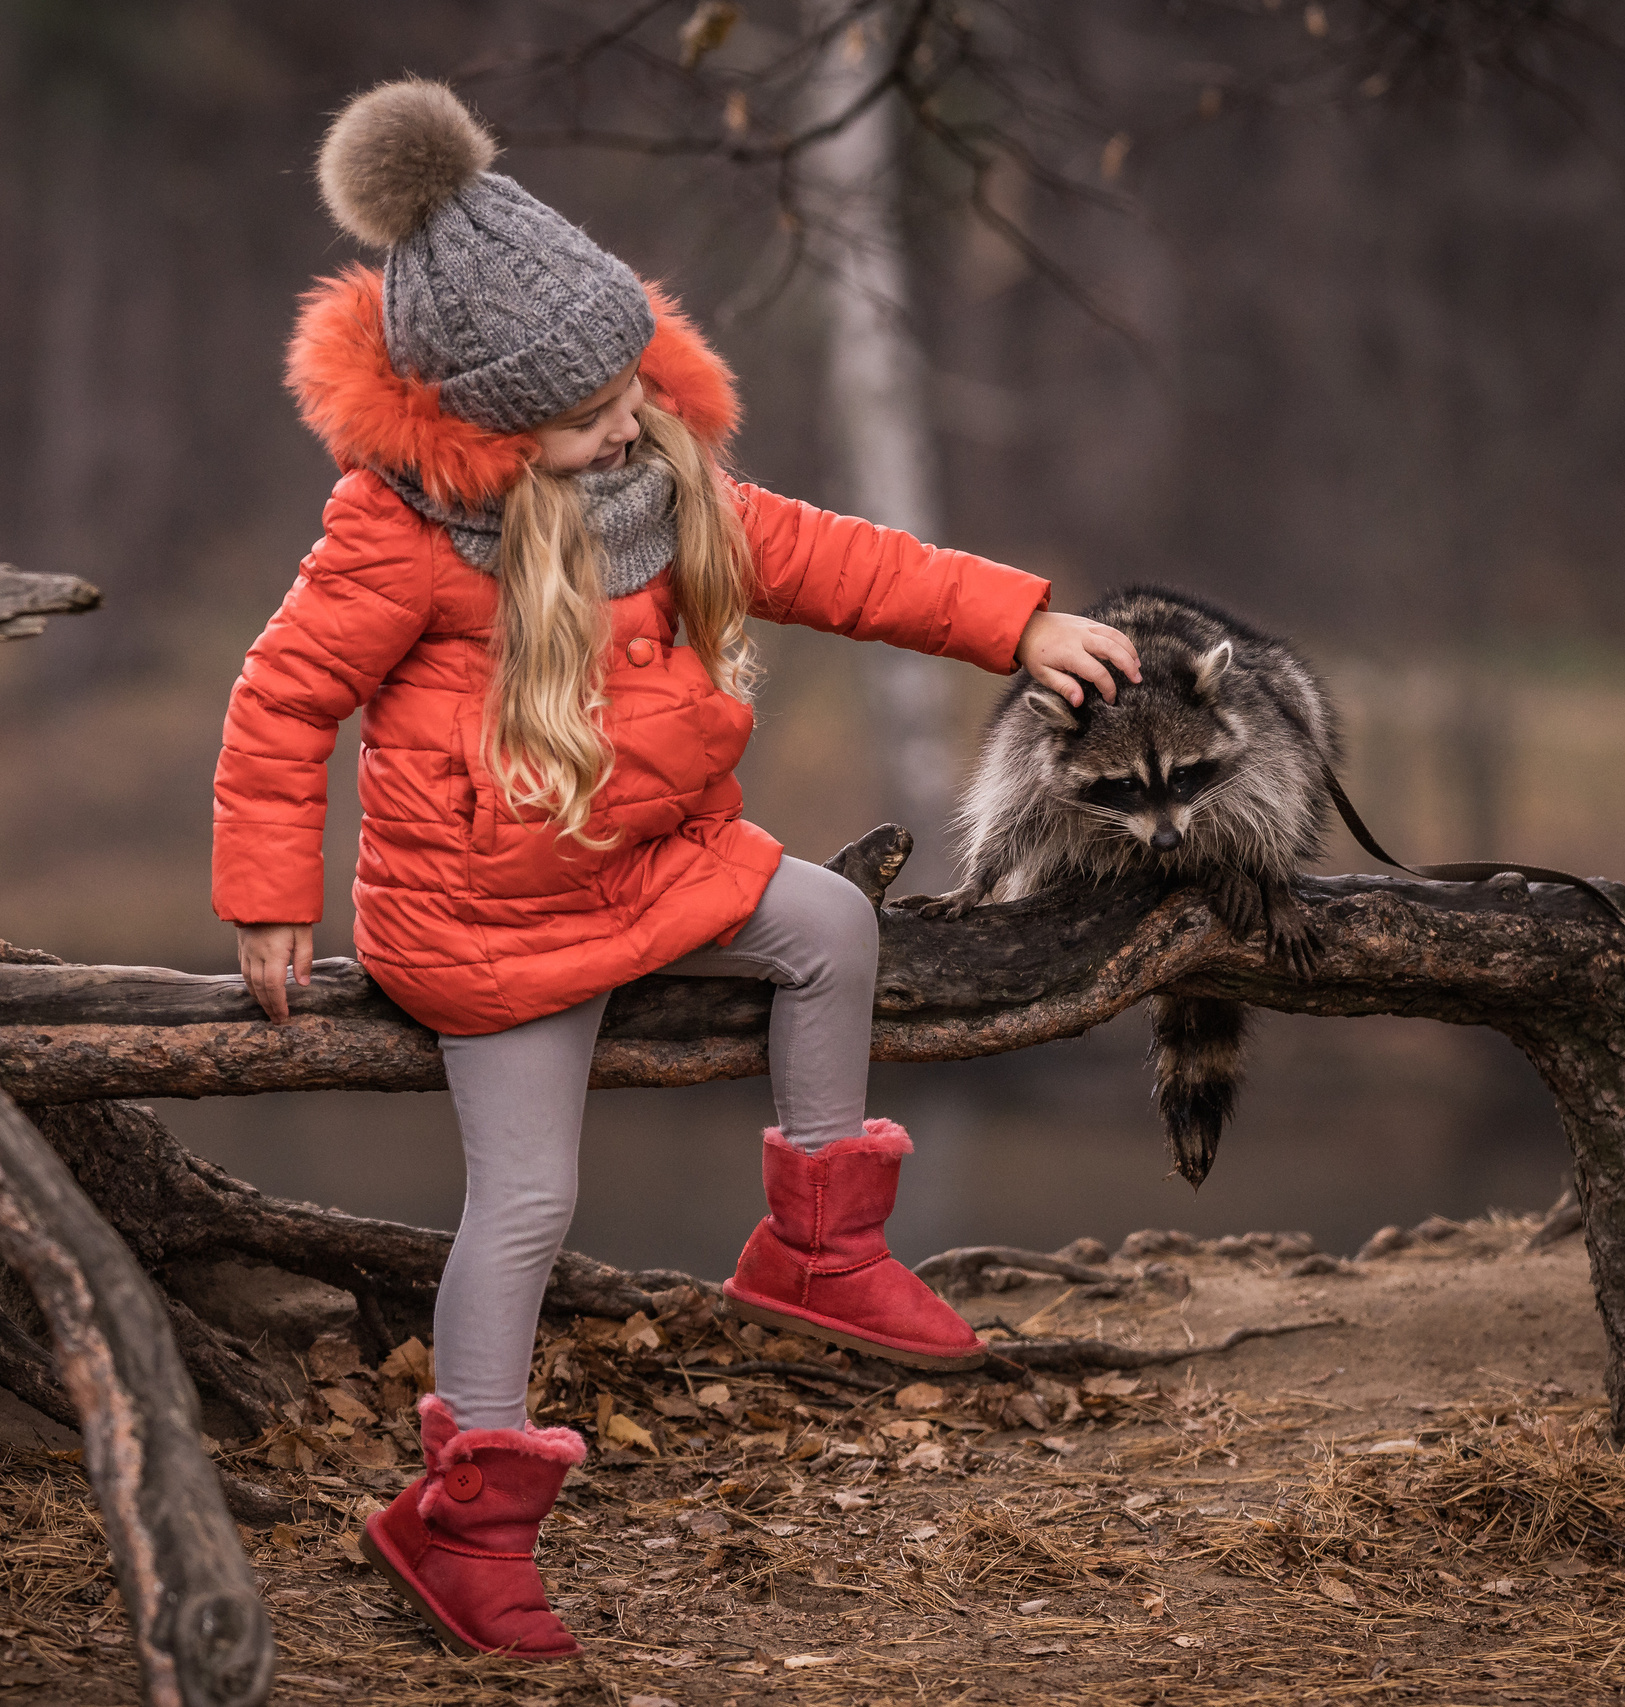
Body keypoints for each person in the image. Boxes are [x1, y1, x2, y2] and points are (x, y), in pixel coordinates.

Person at [214, 79, 1139, 1660]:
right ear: (491, 430)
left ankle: (820, 1247)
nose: (628, 427)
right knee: (527, 1201)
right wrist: (268, 899)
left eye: (631, 391)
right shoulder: (403, 539)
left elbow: (846, 561)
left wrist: (1019, 619)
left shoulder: (662, 483)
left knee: (833, 922)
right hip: (487, 922)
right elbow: (281, 701)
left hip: (652, 861)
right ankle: (464, 1519)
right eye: (587, 420)